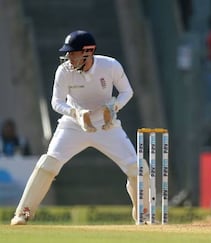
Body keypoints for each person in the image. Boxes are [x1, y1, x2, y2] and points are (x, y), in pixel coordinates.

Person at [10, 30, 149, 225]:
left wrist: (113, 106)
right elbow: (56, 102)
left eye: (72, 53)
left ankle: (142, 215)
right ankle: (23, 213)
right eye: (67, 53)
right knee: (48, 163)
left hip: (106, 125)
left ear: (88, 52)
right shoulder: (64, 71)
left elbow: (127, 92)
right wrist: (75, 113)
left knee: (137, 168)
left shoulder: (110, 66)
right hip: (74, 125)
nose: (68, 58)